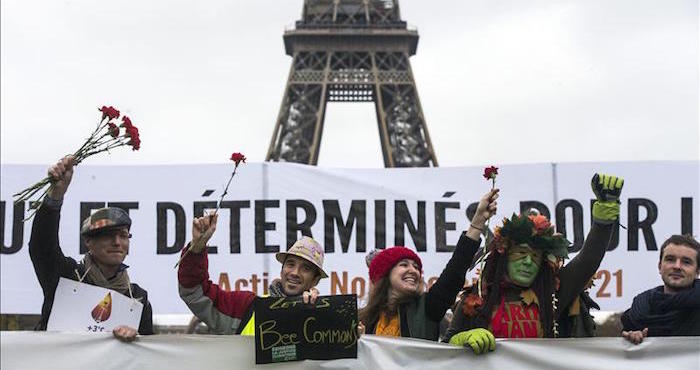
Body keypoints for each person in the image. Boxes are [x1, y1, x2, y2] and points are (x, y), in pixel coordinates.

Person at [445, 173, 623, 341]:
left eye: (535, 257)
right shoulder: (476, 298)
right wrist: (464, 338)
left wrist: (604, 218)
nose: (528, 262)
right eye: (521, 253)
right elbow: (446, 348)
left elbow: (587, 261)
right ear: (504, 256)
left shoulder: (553, 292)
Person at [357, 189, 499, 354]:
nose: (413, 271)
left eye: (416, 267)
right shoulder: (360, 319)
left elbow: (455, 271)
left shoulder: (427, 308)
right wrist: (356, 343)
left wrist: (477, 222)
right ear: (385, 274)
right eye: (404, 265)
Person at [29, 156, 153, 342]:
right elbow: (41, 247)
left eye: (123, 235)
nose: (117, 242)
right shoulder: (66, 276)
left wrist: (136, 340)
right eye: (108, 235)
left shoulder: (137, 298)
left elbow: (147, 358)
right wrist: (55, 197)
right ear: (88, 242)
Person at [178, 213, 327, 334]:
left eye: (305, 268)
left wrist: (314, 312)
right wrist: (197, 248)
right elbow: (195, 293)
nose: (295, 272)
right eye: (290, 264)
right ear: (282, 269)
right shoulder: (245, 307)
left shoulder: (325, 317)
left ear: (315, 280)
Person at [621, 234, 700, 344]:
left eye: (686, 262)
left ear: (697, 271)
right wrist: (632, 340)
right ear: (659, 266)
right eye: (670, 259)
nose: (677, 266)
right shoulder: (637, 313)